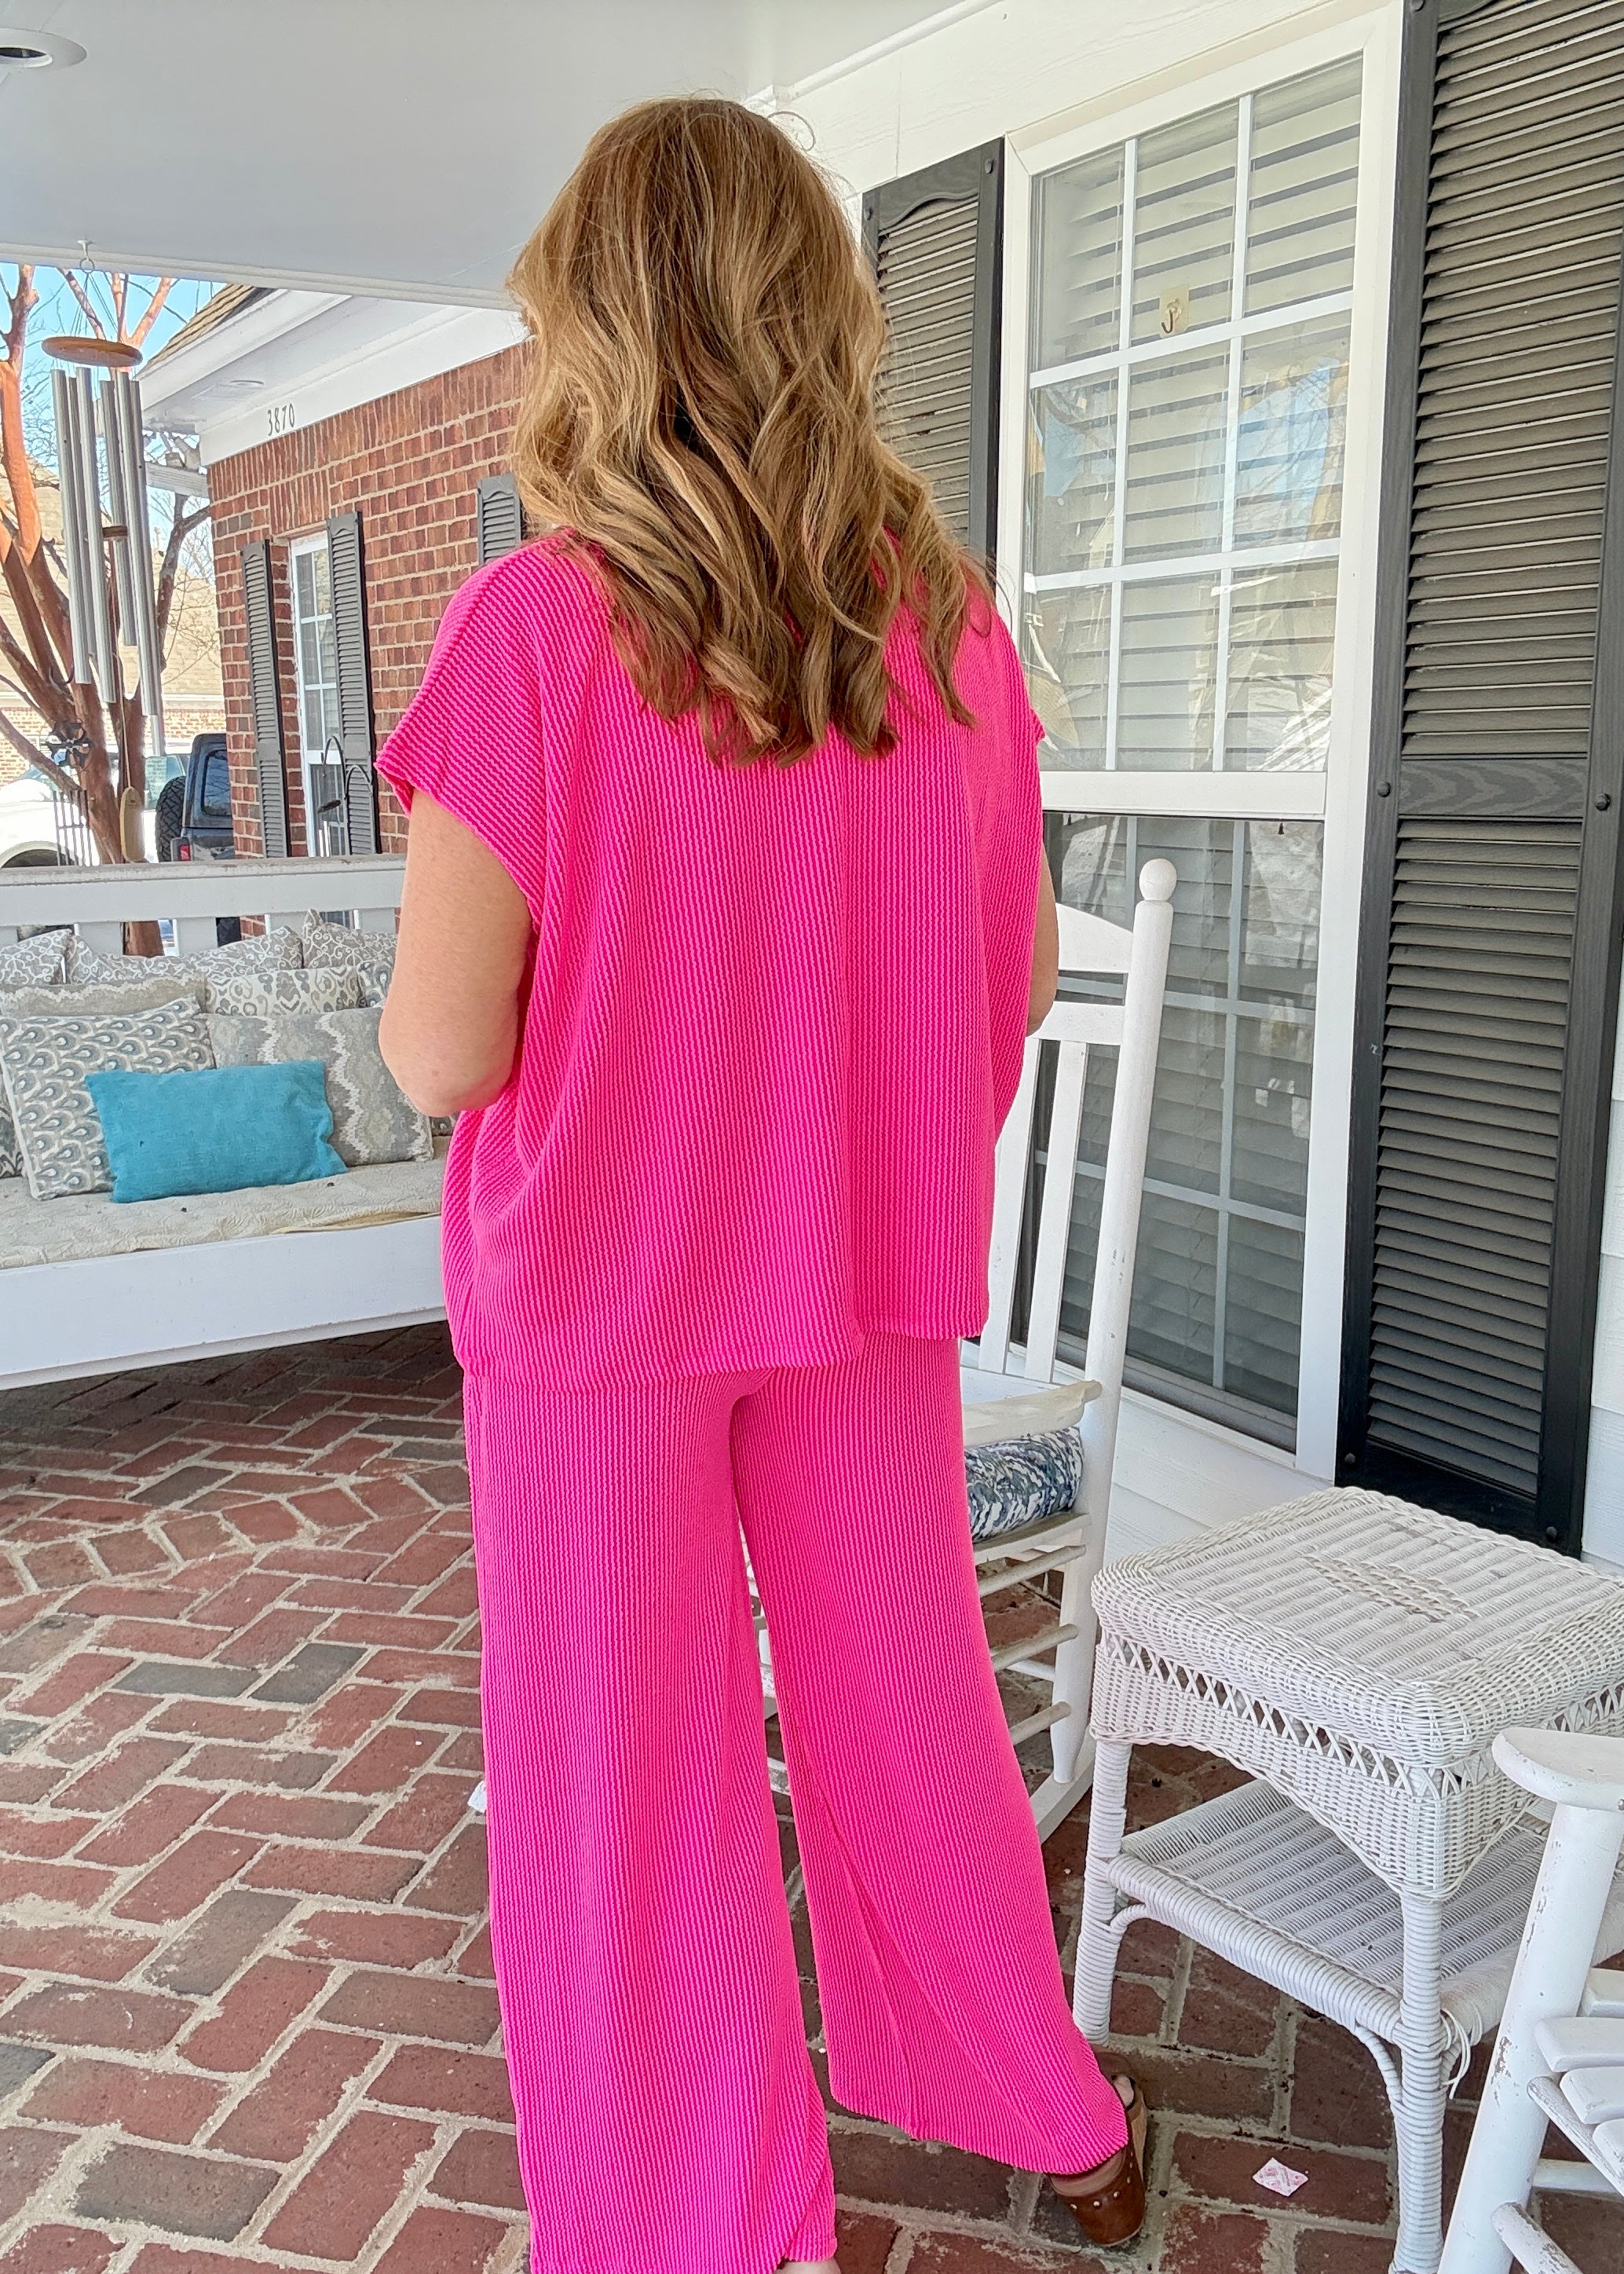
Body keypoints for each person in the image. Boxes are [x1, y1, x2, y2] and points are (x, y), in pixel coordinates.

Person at [377, 93, 1147, 2274]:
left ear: (596, 327)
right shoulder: (951, 637)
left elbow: (442, 1052)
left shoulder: (535, 631)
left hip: (604, 1296)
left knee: (624, 1784)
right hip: (859, 1275)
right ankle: (1035, 2100)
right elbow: (1007, 990)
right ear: (820, 315)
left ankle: (689, 2224)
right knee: (910, 1709)